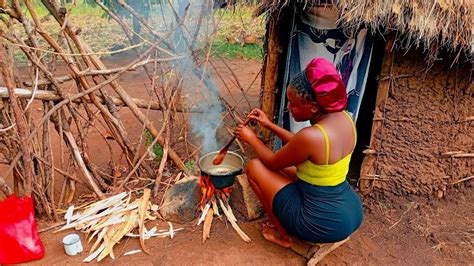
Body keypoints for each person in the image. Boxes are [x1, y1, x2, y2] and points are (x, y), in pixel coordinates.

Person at [234, 57, 363, 248]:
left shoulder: (311, 137)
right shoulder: (345, 119)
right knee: (286, 169)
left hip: (318, 222)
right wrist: (268, 124)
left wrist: (251, 138)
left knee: (255, 167)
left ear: (313, 107)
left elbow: (271, 162)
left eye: (293, 104)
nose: (289, 108)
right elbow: (301, 144)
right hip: (350, 212)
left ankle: (283, 236)